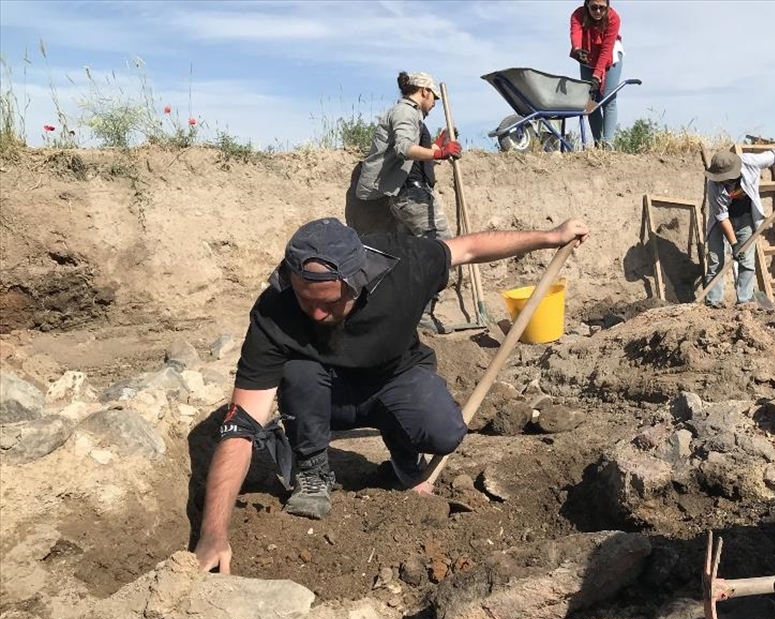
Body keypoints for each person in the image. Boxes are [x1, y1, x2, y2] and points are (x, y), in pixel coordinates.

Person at [193, 216, 590, 574]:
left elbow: (468, 247)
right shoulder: (274, 311)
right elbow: (239, 427)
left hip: (394, 377)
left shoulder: (404, 265)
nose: (315, 315)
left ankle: (403, 448)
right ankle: (312, 469)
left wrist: (551, 237)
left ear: (358, 280)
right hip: (323, 395)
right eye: (304, 299)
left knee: (444, 432)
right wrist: (213, 533)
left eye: (329, 302)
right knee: (299, 370)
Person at [352, 71, 461, 328]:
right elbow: (404, 148)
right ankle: (422, 314)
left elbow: (414, 154)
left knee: (411, 255)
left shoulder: (412, 116)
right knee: (442, 250)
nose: (434, 103)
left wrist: (438, 145)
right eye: (433, 97)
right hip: (412, 195)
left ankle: (404, 312)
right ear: (424, 91)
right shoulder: (406, 112)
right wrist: (441, 153)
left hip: (409, 192)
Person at [702, 148, 775, 307]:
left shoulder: (750, 162)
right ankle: (713, 302)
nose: (721, 181)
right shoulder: (713, 185)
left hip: (745, 216)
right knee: (715, 260)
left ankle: (744, 301)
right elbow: (722, 217)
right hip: (720, 220)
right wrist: (734, 245)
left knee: (746, 260)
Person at [569, 0, 623, 149]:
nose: (598, 11)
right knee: (590, 102)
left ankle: (608, 143)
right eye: (594, 7)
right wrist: (577, 49)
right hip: (588, 57)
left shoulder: (613, 18)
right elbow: (576, 33)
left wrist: (596, 76)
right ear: (587, 5)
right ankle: (599, 145)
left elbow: (606, 50)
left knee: (607, 98)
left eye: (601, 7)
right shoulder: (578, 14)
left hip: (610, 57)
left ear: (607, 6)